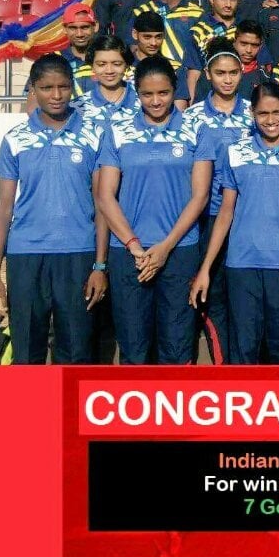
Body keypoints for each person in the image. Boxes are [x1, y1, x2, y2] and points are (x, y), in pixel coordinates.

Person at [0, 54, 108, 363]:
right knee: (27, 350)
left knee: (77, 350)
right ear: (34, 90)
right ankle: (30, 411)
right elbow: (3, 208)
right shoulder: (16, 139)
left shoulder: (94, 134)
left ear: (73, 88)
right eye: (46, 88)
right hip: (26, 255)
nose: (56, 96)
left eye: (64, 87)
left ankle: (70, 412)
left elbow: (102, 203)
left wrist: (99, 265)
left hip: (77, 253)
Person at [97, 55, 213, 364]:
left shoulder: (196, 129)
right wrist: (134, 245)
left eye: (162, 93)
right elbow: (106, 196)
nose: (156, 100)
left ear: (174, 90)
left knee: (176, 347)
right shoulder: (117, 131)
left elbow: (200, 196)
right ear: (137, 92)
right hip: (129, 254)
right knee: (134, 348)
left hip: (178, 251)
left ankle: (171, 410)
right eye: (147, 94)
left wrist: (165, 247)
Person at [189, 81, 279, 364]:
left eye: (277, 112)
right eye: (262, 114)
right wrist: (206, 268)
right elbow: (225, 212)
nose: (270, 120)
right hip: (242, 265)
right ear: (252, 114)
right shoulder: (235, 152)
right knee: (244, 348)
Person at [185, 37, 253, 364]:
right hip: (207, 217)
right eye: (220, 72)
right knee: (213, 296)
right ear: (208, 74)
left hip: (246, 220)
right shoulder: (193, 117)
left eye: (233, 73)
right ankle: (222, 366)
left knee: (242, 298)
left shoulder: (255, 116)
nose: (227, 79)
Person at [25, 3, 99, 111]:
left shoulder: (109, 60)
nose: (79, 34)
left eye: (85, 27)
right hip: (63, 126)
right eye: (73, 28)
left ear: (95, 26)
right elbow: (33, 108)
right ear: (64, 29)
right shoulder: (49, 61)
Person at [72, 34, 140, 124]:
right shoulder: (79, 107)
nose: (109, 71)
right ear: (92, 66)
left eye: (116, 64)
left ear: (126, 66)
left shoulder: (143, 101)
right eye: (101, 64)